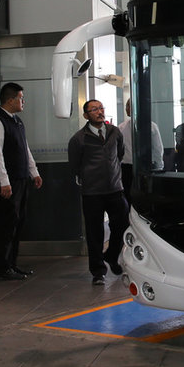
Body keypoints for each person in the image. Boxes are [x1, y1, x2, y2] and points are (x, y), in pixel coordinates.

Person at [0, 82, 42, 281]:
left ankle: (12, 264)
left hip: (20, 180)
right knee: (5, 225)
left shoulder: (16, 121)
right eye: (20, 98)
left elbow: (24, 148)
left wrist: (33, 172)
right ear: (10, 100)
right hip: (6, 184)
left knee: (17, 223)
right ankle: (1, 267)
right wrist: (3, 181)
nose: (23, 101)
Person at [67, 99, 128, 285]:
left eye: (101, 108)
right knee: (95, 232)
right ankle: (98, 271)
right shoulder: (79, 139)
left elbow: (120, 154)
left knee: (123, 223)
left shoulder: (114, 132)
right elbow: (75, 166)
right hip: (92, 192)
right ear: (86, 115)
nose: (99, 112)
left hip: (115, 189)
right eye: (94, 110)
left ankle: (110, 255)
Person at [117, 97, 164, 205]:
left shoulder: (151, 126)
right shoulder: (121, 128)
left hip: (146, 167)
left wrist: (159, 167)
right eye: (127, 106)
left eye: (130, 106)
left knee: (145, 197)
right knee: (128, 197)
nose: (127, 109)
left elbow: (157, 149)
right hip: (127, 168)